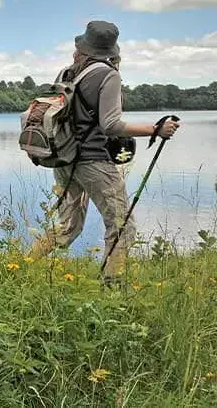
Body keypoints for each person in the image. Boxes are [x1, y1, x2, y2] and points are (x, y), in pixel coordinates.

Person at [27, 21, 179, 283]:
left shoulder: (67, 72)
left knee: (67, 227)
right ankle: (112, 288)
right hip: (93, 161)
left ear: (83, 46)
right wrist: (155, 130)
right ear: (110, 49)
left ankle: (19, 268)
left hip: (65, 157)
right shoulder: (109, 75)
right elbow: (111, 125)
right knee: (123, 227)